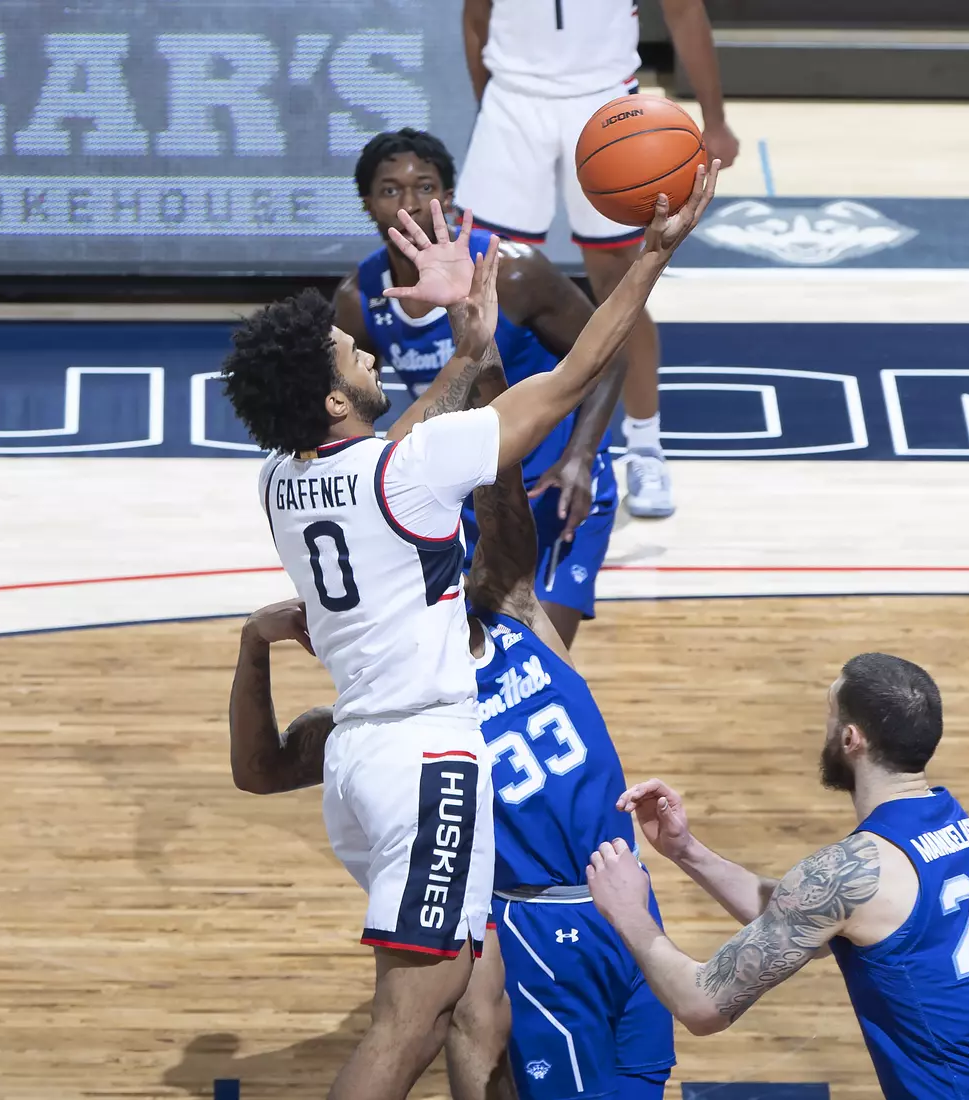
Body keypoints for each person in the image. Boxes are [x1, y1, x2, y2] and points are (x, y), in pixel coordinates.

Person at [219, 158, 716, 1100]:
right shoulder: (402, 471)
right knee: (409, 1024)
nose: (365, 351)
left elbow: (407, 435)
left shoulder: (284, 483)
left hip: (367, 753)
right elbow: (569, 377)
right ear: (330, 401)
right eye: (348, 354)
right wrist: (650, 258)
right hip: (424, 756)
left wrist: (465, 346)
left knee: (479, 1009)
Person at [585, 655, 969, 1100]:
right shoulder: (963, 833)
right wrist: (687, 852)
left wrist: (630, 914)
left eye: (830, 718)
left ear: (851, 738)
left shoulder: (853, 870)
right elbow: (810, 922)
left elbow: (700, 1005)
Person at [336, 128, 628, 647]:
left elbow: (610, 353)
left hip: (551, 481)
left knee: (536, 656)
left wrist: (582, 455)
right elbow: (357, 413)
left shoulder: (513, 273)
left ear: (447, 197)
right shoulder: (360, 299)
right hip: (465, 490)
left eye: (424, 187)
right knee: (475, 662)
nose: (409, 203)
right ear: (367, 204)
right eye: (390, 191)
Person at [458, 0, 740, 519]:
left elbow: (683, 11)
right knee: (482, 283)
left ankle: (645, 446)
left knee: (622, 282)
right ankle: (479, 449)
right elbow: (476, 17)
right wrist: (489, 109)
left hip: (609, 104)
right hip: (513, 100)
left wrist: (714, 119)